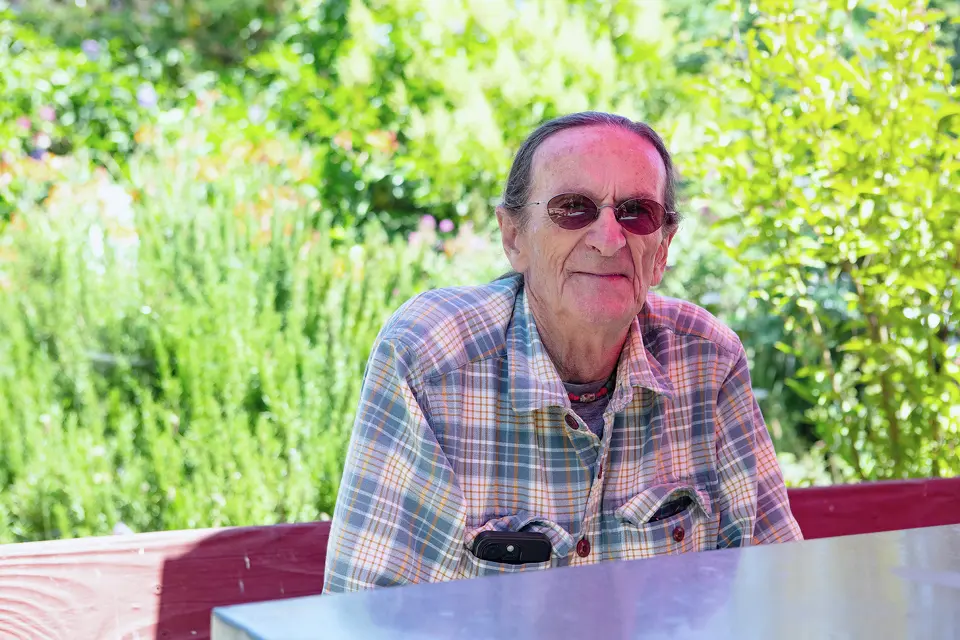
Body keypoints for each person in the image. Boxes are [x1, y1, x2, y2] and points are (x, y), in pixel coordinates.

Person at [322, 111, 802, 594]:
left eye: (636, 212)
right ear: (514, 237)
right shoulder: (430, 360)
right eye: (574, 207)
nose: (609, 238)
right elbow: (368, 611)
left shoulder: (707, 361)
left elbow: (777, 592)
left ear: (662, 249)